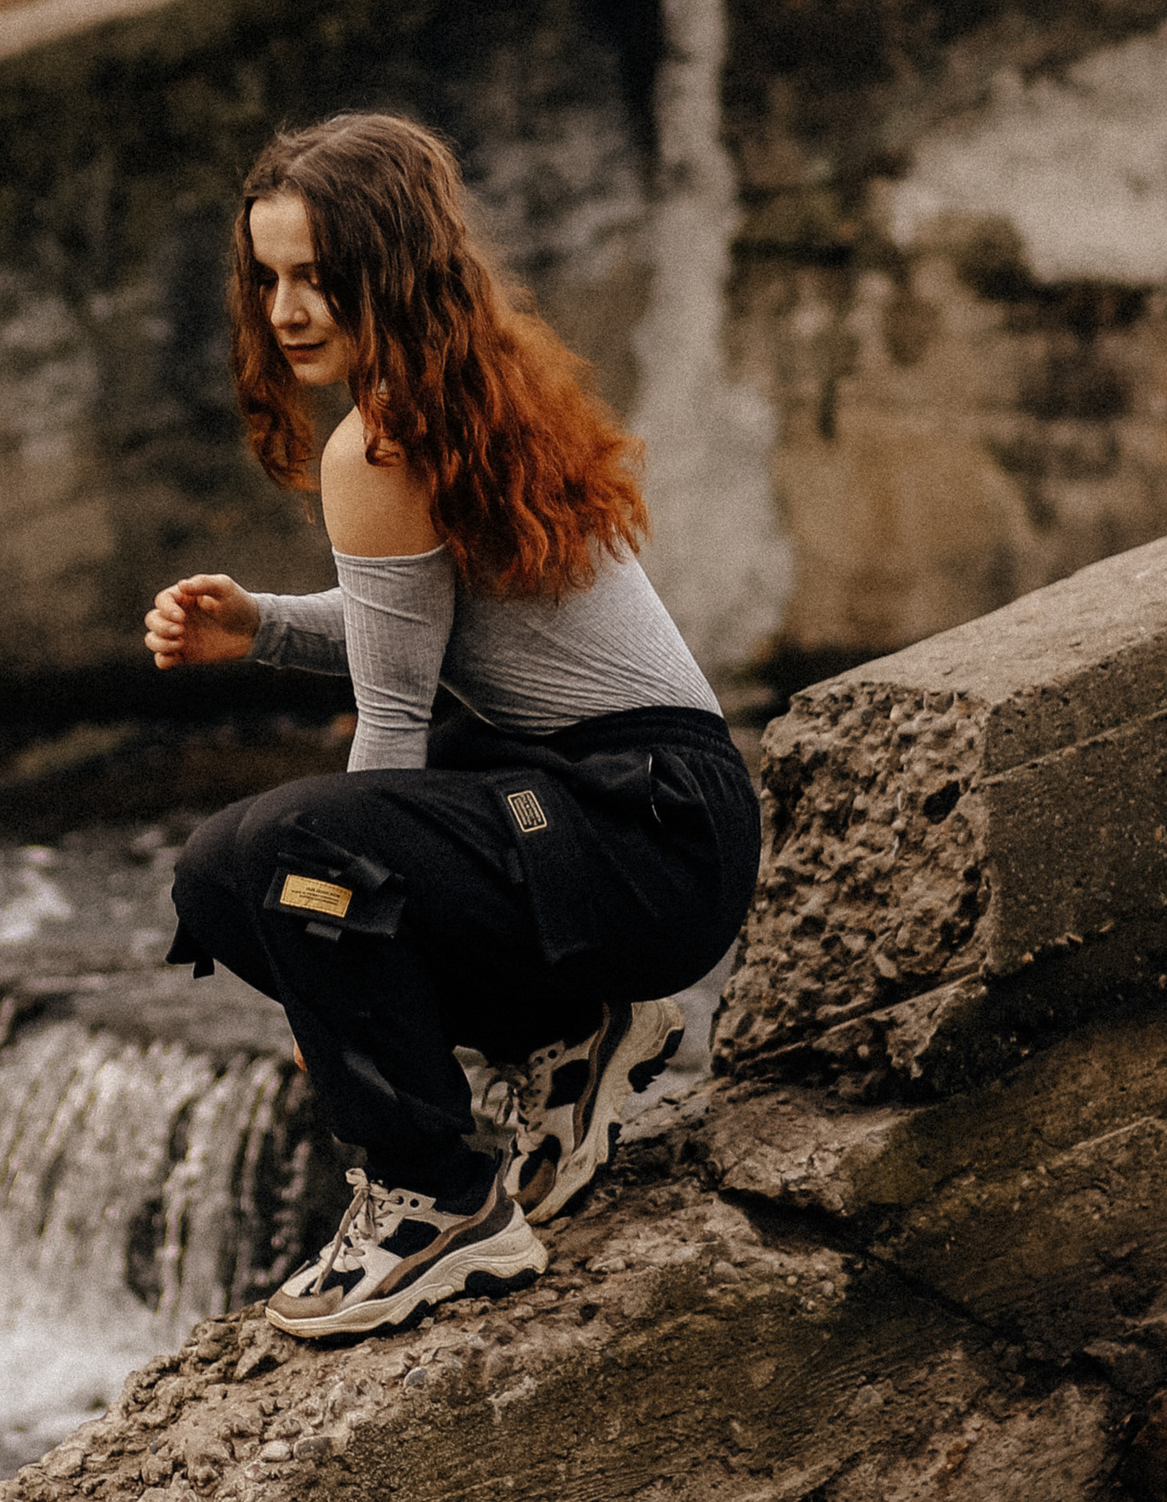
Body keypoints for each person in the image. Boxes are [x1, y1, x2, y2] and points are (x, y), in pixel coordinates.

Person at [146, 110, 761, 1348]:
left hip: (634, 826)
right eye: (266, 278)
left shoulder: (380, 441)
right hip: (652, 822)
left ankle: (437, 1198)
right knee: (227, 873)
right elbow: (417, 629)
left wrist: (334, 962)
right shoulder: (460, 391)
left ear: (389, 266)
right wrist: (261, 629)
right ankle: (569, 1034)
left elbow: (394, 713)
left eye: (318, 276)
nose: (286, 310)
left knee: (276, 862)